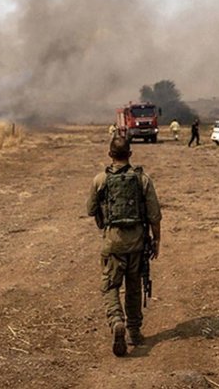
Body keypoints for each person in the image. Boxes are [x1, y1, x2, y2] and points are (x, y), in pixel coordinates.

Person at [86, 136, 161, 356]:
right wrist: (156, 240)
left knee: (110, 286)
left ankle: (116, 320)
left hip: (113, 243)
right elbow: (155, 215)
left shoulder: (100, 180)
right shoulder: (143, 179)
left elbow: (90, 209)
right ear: (129, 154)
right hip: (137, 244)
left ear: (110, 155)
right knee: (134, 287)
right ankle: (134, 332)